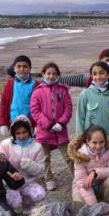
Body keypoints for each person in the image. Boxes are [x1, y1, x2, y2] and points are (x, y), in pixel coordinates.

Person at [30, 62, 73, 191]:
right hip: (44, 132)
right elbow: (35, 111)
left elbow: (68, 108)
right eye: (48, 73)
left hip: (61, 131)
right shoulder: (37, 92)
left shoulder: (63, 90)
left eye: (54, 74)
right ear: (43, 74)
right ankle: (49, 179)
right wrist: (48, 124)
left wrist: (61, 123)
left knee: (69, 156)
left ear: (58, 75)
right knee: (45, 158)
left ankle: (78, 176)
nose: (51, 76)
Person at [0, 116, 46, 214]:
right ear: (13, 133)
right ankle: (8, 211)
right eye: (18, 133)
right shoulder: (5, 145)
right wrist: (0, 155)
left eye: (24, 132)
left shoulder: (37, 147)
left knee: (39, 193)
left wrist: (29, 164)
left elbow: (41, 169)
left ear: (30, 131)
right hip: (9, 184)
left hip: (28, 182)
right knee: (14, 201)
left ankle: (28, 207)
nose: (22, 136)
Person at [69, 125, 109, 205]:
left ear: (105, 140)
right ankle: (96, 205)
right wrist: (95, 208)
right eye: (94, 142)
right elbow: (82, 183)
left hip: (101, 184)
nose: (98, 146)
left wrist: (95, 173)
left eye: (101, 142)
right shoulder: (80, 155)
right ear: (87, 141)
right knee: (79, 208)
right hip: (82, 187)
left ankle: (105, 205)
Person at [75, 61, 109, 147]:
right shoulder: (85, 94)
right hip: (89, 141)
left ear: (108, 75)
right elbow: (80, 118)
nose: (98, 76)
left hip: (107, 141)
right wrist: (80, 139)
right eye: (94, 74)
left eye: (101, 73)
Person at [0, 55, 39, 136]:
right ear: (14, 68)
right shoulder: (9, 84)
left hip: (29, 124)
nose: (21, 69)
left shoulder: (35, 84)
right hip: (13, 123)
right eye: (19, 66)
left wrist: (37, 125)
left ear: (30, 69)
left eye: (25, 66)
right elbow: (3, 104)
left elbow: (39, 106)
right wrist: (3, 123)